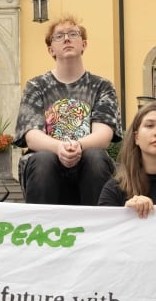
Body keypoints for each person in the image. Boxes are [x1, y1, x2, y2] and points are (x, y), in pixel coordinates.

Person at [14, 15, 122, 205]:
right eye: (59, 36)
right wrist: (59, 148)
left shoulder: (102, 86)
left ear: (84, 44)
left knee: (96, 157)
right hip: (46, 163)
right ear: (51, 50)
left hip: (88, 162)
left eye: (73, 34)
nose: (66, 38)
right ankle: (42, 228)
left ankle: (99, 226)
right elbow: (31, 135)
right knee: (43, 160)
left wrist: (77, 146)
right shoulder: (36, 86)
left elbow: (103, 135)